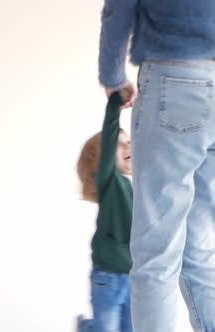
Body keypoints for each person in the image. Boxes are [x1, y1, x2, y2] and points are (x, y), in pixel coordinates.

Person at [98, 0, 215, 331]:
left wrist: (112, 75)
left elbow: (119, 7)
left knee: (157, 255)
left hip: (177, 83)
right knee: (199, 245)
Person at [76, 91, 133, 332]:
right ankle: (89, 328)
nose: (128, 145)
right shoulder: (110, 182)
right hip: (107, 278)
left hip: (130, 277)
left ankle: (90, 327)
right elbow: (109, 138)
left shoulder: (131, 187)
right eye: (120, 144)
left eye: (129, 142)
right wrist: (114, 107)